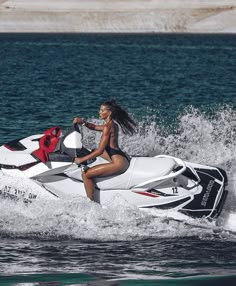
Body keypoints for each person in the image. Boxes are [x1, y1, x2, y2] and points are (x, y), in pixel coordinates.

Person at [73, 99, 136, 201]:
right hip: (120, 156)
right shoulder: (112, 125)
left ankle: (91, 203)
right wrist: (82, 122)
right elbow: (93, 127)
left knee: (86, 174)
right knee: (92, 150)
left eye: (102, 111)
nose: (99, 112)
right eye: (100, 110)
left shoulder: (108, 127)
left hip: (118, 163)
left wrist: (81, 160)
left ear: (109, 113)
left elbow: (100, 151)